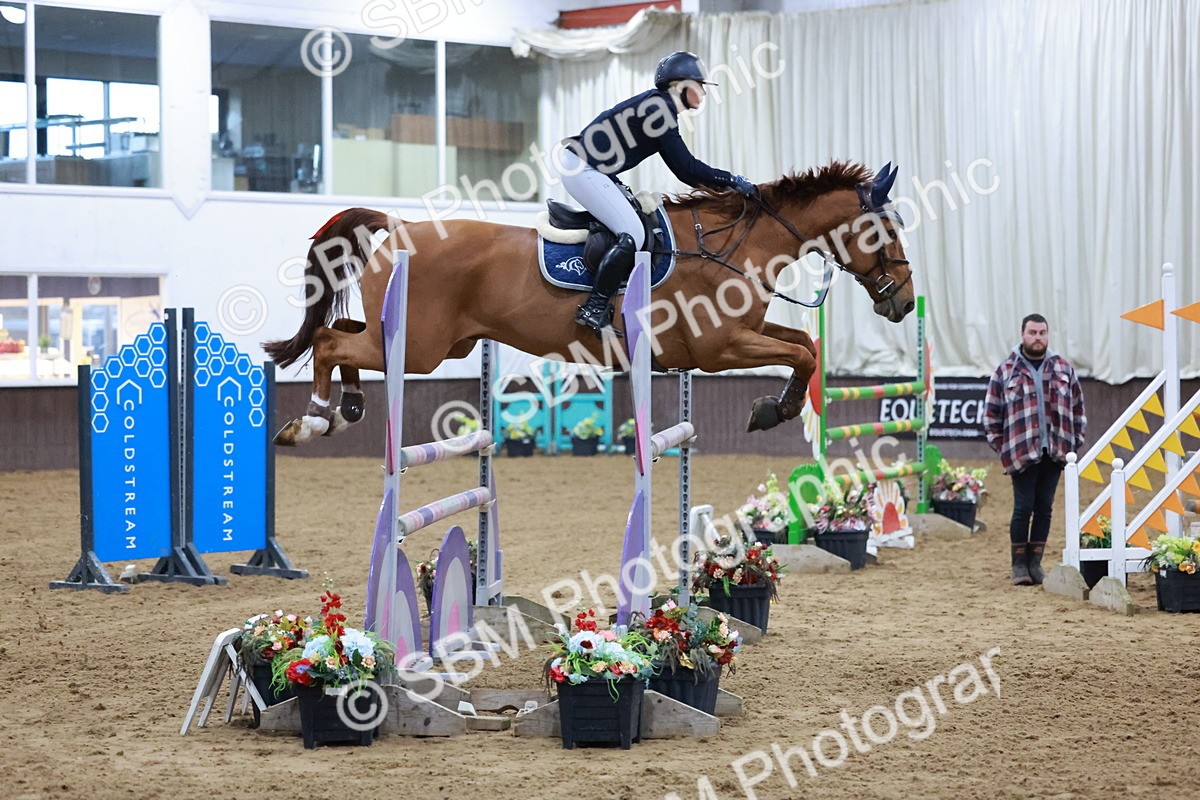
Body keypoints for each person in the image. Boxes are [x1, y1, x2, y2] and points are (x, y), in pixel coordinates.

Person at [556, 51, 758, 335]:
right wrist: (732, 180)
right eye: (700, 86)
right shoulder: (659, 109)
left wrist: (728, 185)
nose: (703, 93)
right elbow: (686, 167)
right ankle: (594, 307)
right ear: (680, 85)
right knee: (634, 233)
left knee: (635, 224)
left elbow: (685, 172)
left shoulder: (660, 106)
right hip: (583, 167)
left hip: (590, 168)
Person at [984, 314, 1087, 586]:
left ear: (1047, 335)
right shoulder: (1006, 370)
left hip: (1056, 450)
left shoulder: (1063, 368)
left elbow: (1078, 408)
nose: (1038, 337)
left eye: (1042, 332)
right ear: (1022, 335)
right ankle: (1018, 565)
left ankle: (1035, 563)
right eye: (1032, 332)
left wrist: (1074, 444)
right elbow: (991, 414)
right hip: (1021, 452)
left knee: (1045, 508)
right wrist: (1004, 448)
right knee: (1023, 508)